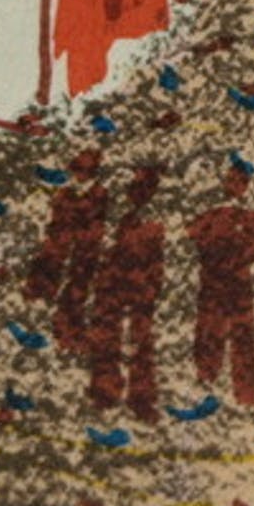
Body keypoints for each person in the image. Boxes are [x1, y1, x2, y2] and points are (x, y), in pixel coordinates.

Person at [188, 173, 254, 411]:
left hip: (238, 283)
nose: (234, 186)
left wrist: (233, 261)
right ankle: (206, 384)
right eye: (231, 181)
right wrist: (215, 260)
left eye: (240, 181)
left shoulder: (250, 217)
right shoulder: (211, 215)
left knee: (242, 335)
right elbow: (195, 236)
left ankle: (245, 395)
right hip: (214, 281)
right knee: (209, 330)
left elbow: (253, 249)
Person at [91, 168, 165, 420]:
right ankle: (106, 393)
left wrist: (150, 288)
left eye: (143, 188)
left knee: (140, 344)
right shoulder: (121, 218)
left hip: (136, 289)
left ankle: (138, 398)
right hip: (116, 287)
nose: (137, 193)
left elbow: (156, 263)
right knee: (110, 339)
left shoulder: (152, 225)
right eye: (136, 187)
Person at [26, 149, 109, 358]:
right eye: (79, 169)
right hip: (62, 251)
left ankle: (68, 336)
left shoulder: (96, 194)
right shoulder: (67, 194)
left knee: (77, 287)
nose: (81, 175)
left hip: (82, 254)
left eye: (86, 171)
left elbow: (94, 229)